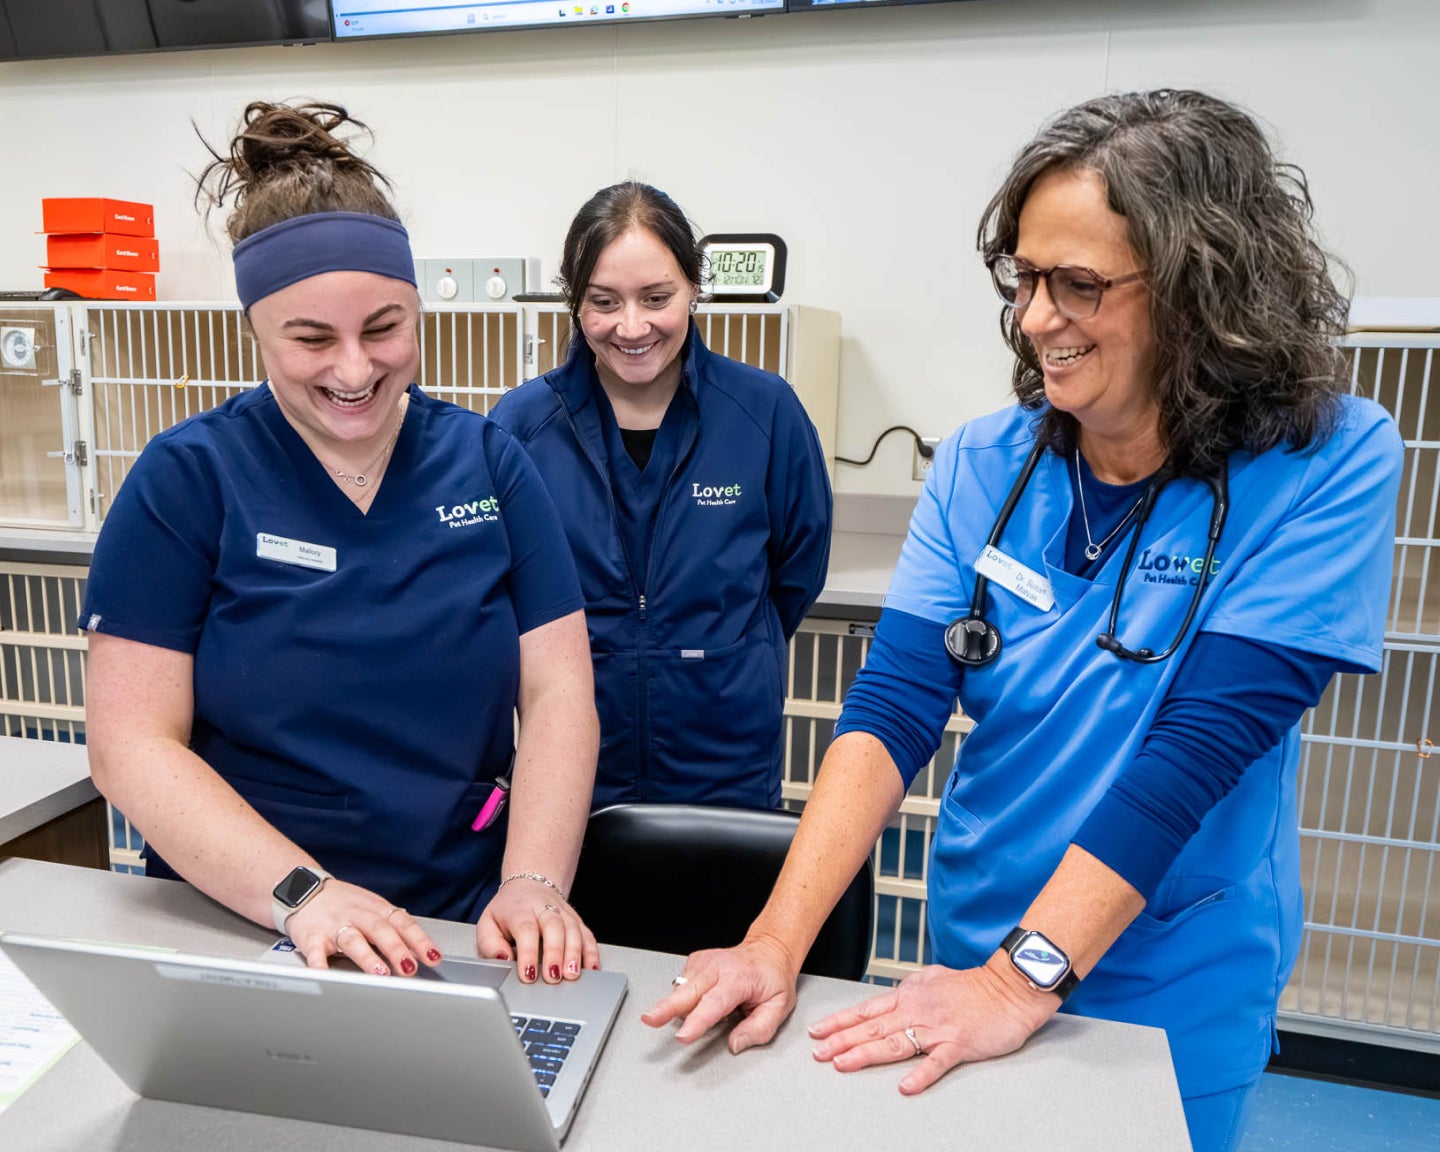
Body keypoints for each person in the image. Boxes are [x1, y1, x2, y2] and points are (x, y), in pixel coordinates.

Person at [641, 90, 1403, 1152]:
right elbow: (893, 708)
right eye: (1026, 276)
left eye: (1079, 284)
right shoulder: (985, 465)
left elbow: (1198, 751)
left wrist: (1023, 977)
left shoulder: (1328, 463)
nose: (1037, 317)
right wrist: (776, 942)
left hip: (1170, 977)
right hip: (976, 940)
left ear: (1202, 290)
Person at [80, 101, 601, 985]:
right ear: (255, 330)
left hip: (450, 926)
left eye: (385, 327)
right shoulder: (188, 481)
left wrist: (533, 881)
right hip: (244, 923)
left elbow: (557, 695)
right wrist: (304, 894)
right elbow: (129, 744)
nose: (356, 370)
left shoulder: (489, 466)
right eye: (312, 339)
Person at [489, 182, 832, 809]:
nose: (632, 326)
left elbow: (796, 572)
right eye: (604, 301)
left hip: (725, 759)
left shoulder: (764, 412)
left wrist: (717, 656)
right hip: (574, 770)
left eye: (657, 298)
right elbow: (505, 591)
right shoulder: (522, 426)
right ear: (575, 301)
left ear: (695, 289)